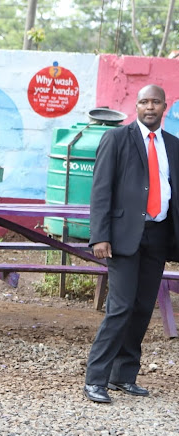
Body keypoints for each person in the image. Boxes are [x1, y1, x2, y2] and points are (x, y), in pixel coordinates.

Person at [83, 84, 179, 404]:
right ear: (136, 106)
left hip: (159, 235)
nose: (149, 107)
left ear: (164, 106)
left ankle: (123, 376)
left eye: (155, 102)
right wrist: (100, 235)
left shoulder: (174, 146)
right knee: (120, 307)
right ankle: (96, 378)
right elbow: (100, 191)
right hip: (123, 237)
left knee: (141, 308)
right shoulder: (116, 139)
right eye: (143, 102)